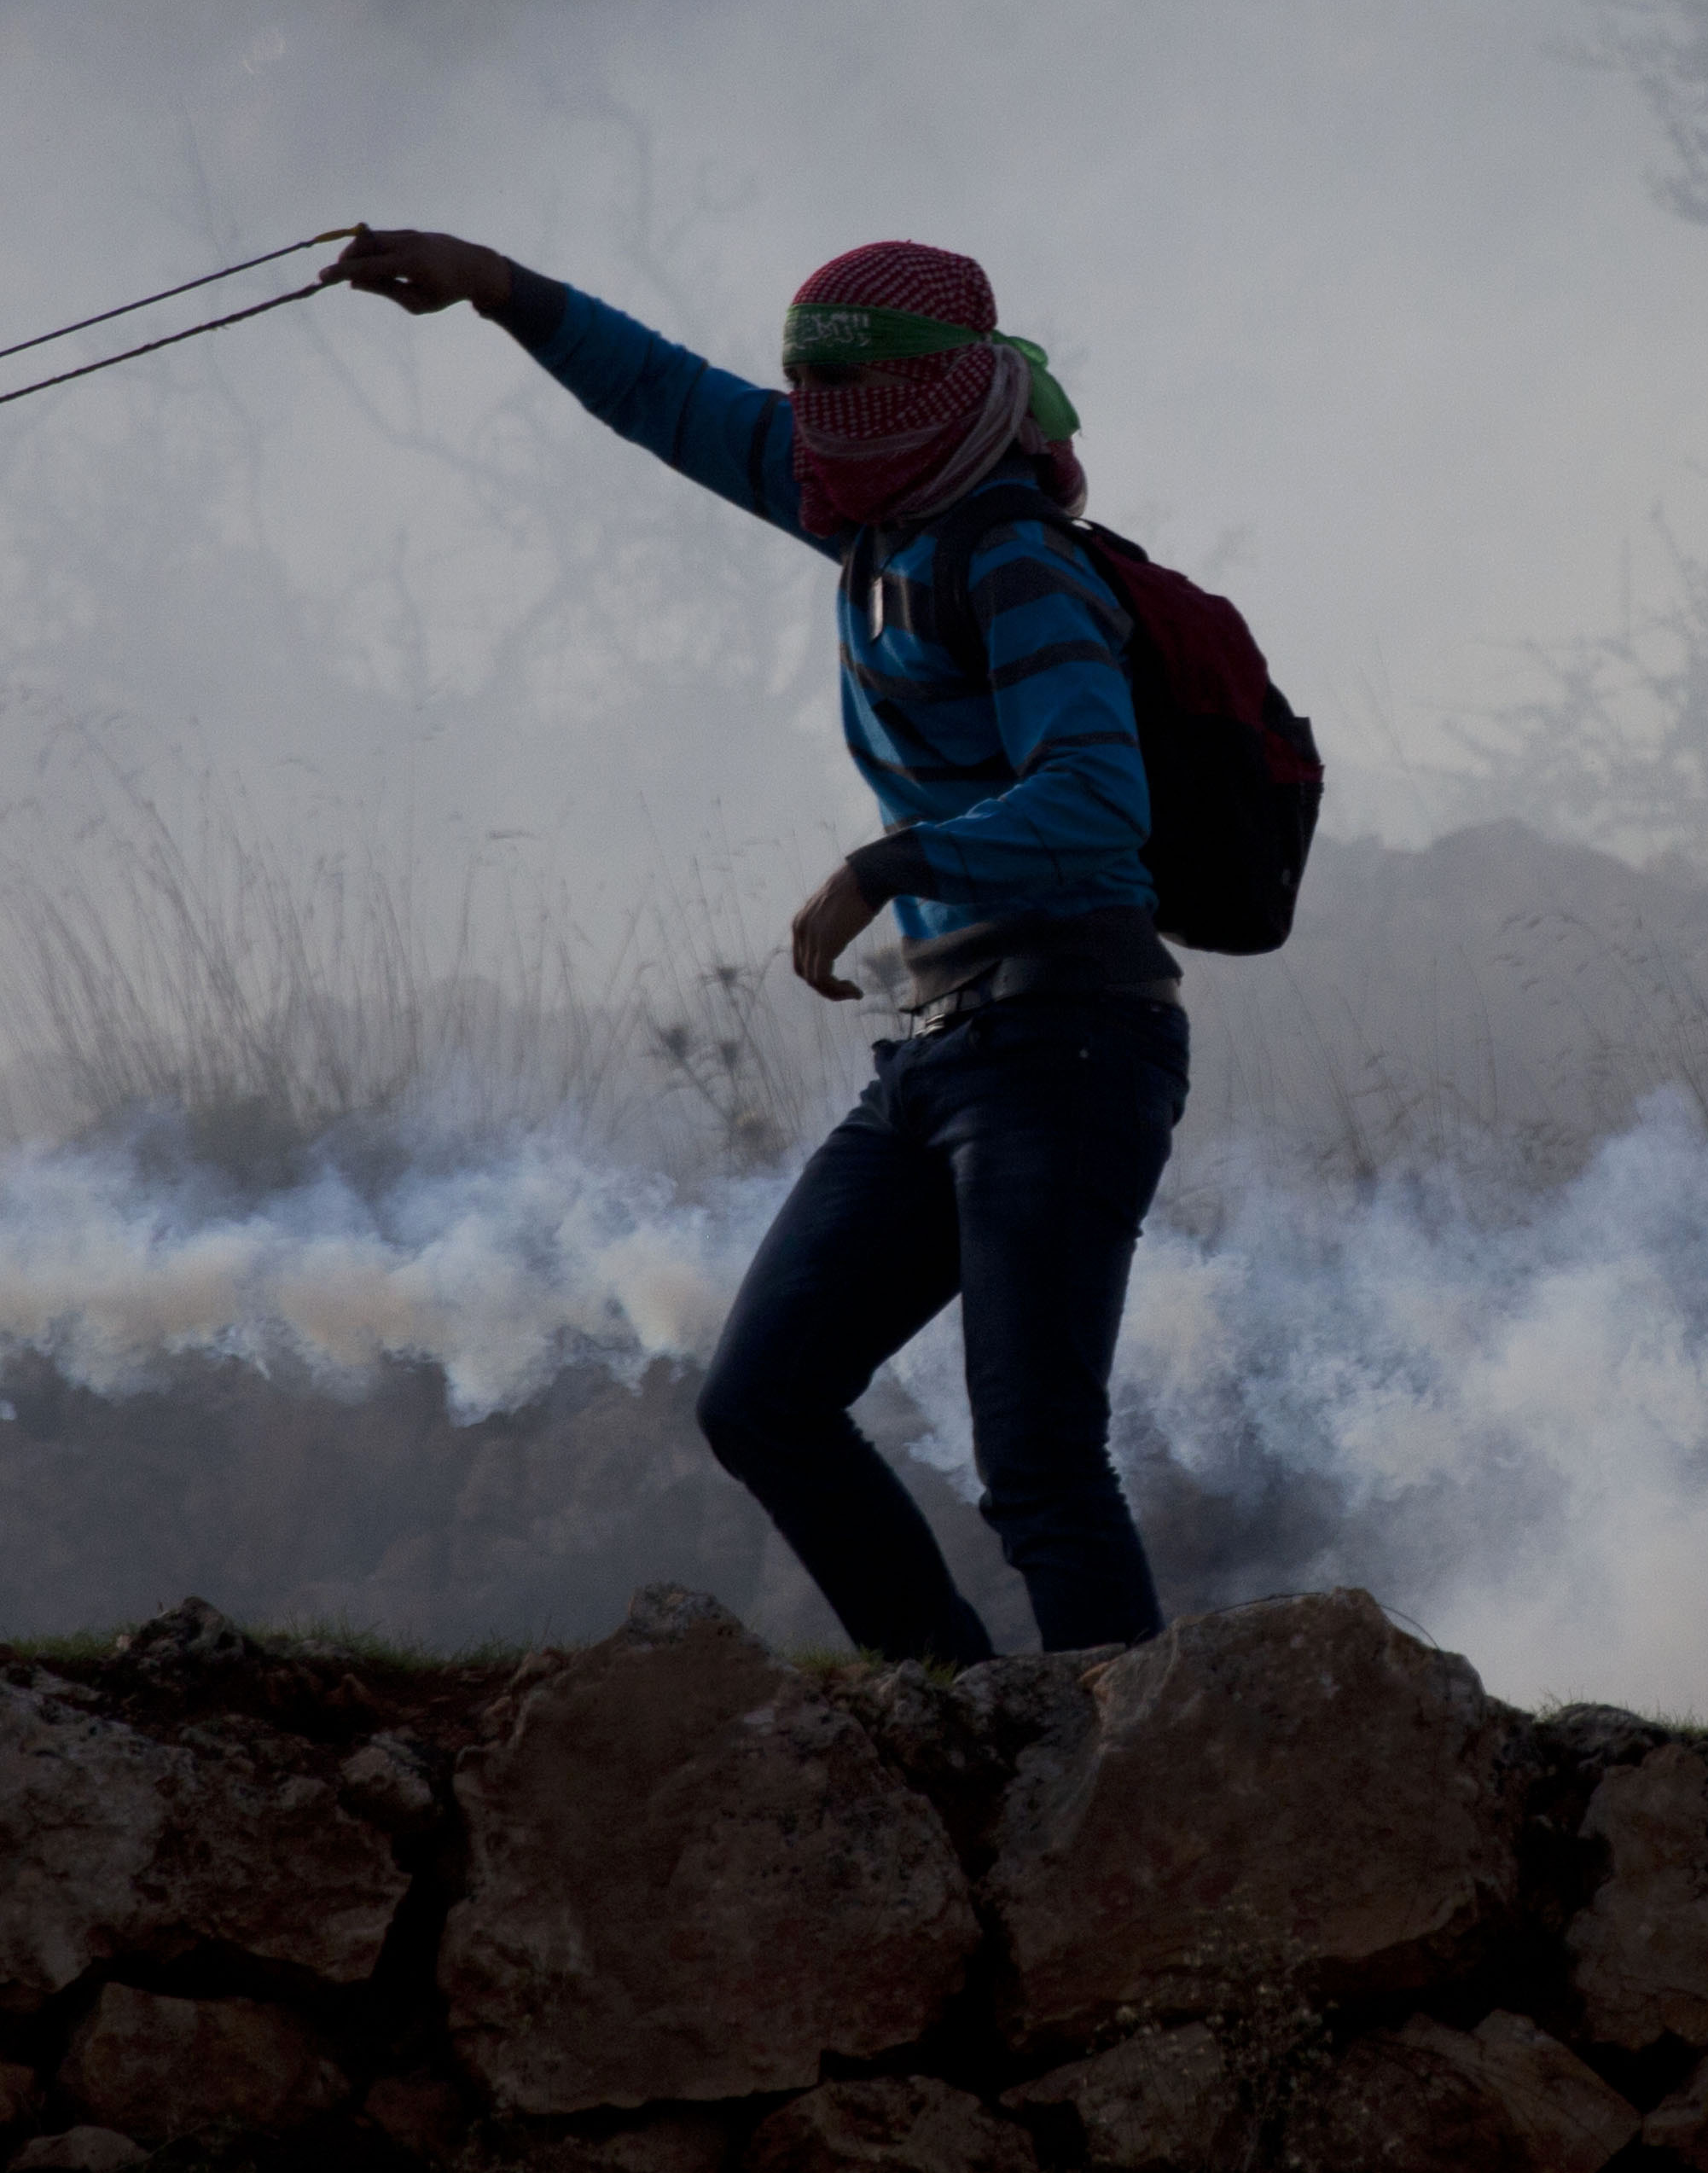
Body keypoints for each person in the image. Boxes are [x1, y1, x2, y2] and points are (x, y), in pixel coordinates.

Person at [328, 227, 1182, 1662]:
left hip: (1069, 1043)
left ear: (946, 398)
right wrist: (494, 285)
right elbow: (673, 400)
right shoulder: (879, 515)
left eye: (849, 412)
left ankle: (1145, 1789)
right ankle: (960, 1720)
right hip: (940, 1048)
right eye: (812, 407)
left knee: (1037, 1464)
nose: (818, 447)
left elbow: (1098, 798)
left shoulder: (1017, 560)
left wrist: (884, 865)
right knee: (761, 1400)